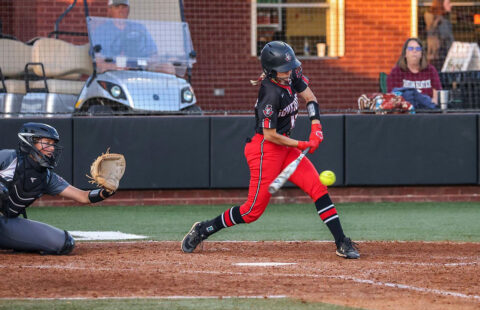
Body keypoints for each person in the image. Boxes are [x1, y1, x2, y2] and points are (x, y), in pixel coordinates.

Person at [181, 41, 360, 259]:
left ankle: (341, 242)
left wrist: (316, 127)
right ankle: (204, 229)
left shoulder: (293, 76)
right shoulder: (270, 92)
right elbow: (270, 135)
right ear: (271, 71)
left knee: (318, 188)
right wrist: (302, 144)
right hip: (265, 150)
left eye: (290, 67)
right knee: (250, 212)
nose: (290, 72)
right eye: (284, 70)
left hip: (285, 147)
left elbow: (311, 99)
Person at [0, 122, 116, 255]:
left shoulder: (47, 177)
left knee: (64, 243)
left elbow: (83, 197)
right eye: (47, 142)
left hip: (5, 224)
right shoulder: (9, 158)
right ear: (30, 141)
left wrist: (106, 191)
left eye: (53, 144)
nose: (51, 148)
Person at [93, 0, 175, 74]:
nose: (121, 10)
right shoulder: (101, 31)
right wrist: (116, 67)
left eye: (124, 7)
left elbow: (153, 54)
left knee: (168, 68)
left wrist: (151, 64)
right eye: (117, 7)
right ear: (110, 10)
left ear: (128, 10)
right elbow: (99, 62)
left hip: (140, 69)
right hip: (113, 72)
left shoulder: (139, 28)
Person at [387, 38, 442, 106]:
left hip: (427, 111)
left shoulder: (430, 70)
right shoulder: (396, 71)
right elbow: (392, 97)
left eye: (418, 49)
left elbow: (436, 95)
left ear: (421, 54)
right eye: (410, 48)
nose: (414, 51)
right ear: (405, 54)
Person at [424, 0, 454, 72]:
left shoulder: (433, 22)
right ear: (441, 5)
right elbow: (448, 42)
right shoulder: (441, 22)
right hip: (442, 59)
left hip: (432, 58)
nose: (451, 5)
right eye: (448, 3)